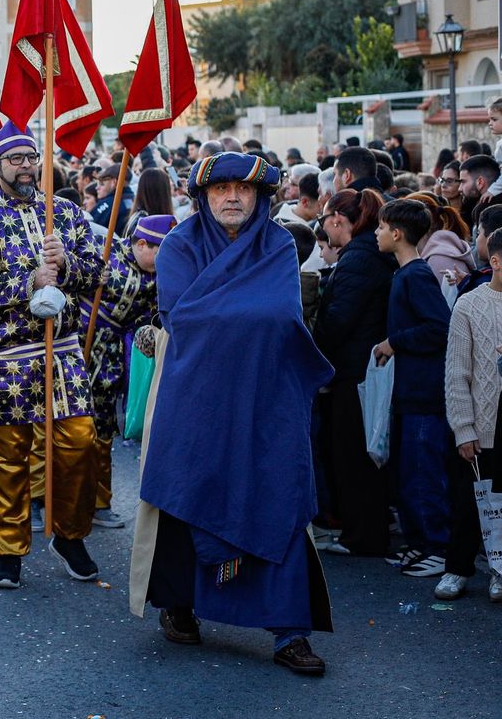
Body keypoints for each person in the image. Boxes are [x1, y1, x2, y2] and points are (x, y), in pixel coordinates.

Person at [131, 152, 334, 676]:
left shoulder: (279, 244)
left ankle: (290, 631)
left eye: (244, 189)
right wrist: (246, 316)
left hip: (267, 396)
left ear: (261, 197)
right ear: (203, 196)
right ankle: (179, 604)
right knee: (185, 495)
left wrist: (232, 316)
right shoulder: (179, 245)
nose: (232, 197)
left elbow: (282, 316)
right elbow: (184, 318)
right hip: (195, 395)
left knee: (280, 499)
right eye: (221, 189)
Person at [0, 123, 105, 591]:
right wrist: (28, 282)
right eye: (16, 159)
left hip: (63, 352)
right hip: (7, 355)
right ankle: (8, 550)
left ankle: (70, 535)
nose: (27, 166)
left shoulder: (65, 213)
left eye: (31, 157)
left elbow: (97, 273)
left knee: (80, 441)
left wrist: (67, 264)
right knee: (8, 456)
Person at [371, 199, 453, 578]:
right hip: (409, 392)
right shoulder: (404, 274)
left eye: (381, 227)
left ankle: (438, 548)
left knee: (423, 475)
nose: (376, 233)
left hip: (424, 394)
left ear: (397, 233)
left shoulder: (416, 275)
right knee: (407, 475)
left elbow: (439, 327)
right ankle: (419, 544)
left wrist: (394, 342)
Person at [312, 189, 395, 557]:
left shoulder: (358, 259)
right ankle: (362, 531)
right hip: (360, 367)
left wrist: (317, 352)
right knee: (357, 453)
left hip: (355, 370)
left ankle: (362, 536)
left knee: (354, 456)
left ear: (337, 220)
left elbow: (338, 320)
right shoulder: (364, 254)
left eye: (324, 220)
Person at [80, 215, 172, 529]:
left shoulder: (161, 274)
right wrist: (90, 275)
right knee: (68, 426)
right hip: (80, 345)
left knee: (103, 428)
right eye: (159, 251)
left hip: (116, 356)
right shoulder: (105, 253)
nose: (163, 260)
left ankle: (99, 502)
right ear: (142, 244)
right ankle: (46, 499)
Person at [440, 237, 502, 602]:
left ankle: (499, 570)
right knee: (470, 502)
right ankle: (457, 569)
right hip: (483, 423)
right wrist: (463, 428)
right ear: (495, 261)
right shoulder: (469, 304)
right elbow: (456, 373)